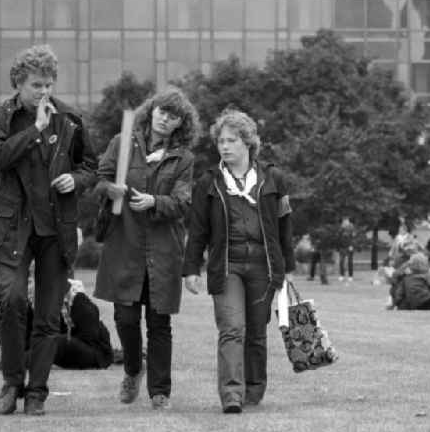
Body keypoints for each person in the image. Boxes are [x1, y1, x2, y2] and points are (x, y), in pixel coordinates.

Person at [0, 43, 96, 416]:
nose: (43, 92)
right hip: (12, 228)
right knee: (12, 301)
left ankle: (37, 392)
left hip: (55, 231)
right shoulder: (1, 115)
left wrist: (74, 181)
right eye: (36, 85)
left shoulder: (71, 119)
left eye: (48, 84)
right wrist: (36, 129)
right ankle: (11, 383)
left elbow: (90, 167)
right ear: (19, 83)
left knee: (48, 316)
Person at [183, 108, 295, 414]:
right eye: (221, 141)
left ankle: (254, 390)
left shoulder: (274, 179)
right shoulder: (209, 182)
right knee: (232, 328)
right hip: (227, 266)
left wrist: (289, 268)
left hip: (264, 266)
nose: (225, 146)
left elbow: (285, 227)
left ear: (248, 143)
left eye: (232, 140)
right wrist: (191, 269)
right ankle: (232, 395)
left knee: (257, 332)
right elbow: (197, 231)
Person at [94, 87, 198, 410]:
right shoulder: (122, 143)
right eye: (162, 111)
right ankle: (132, 369)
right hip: (125, 243)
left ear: (181, 123)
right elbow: (99, 180)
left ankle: (160, 392)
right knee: (125, 318)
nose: (166, 119)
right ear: (151, 111)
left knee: (159, 323)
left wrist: (155, 202)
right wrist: (112, 189)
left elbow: (183, 202)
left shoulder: (183, 158)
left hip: (163, 249)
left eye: (174, 116)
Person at [53, 279, 114, 370]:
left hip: (96, 352)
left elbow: (90, 337)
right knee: (46, 341)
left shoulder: (78, 299)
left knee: (54, 342)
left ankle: (28, 360)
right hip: (74, 347)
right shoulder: (39, 301)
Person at [337, 216, 358, 282]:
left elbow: (354, 238)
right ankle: (341, 275)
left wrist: (352, 245)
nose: (345, 222)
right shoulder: (341, 227)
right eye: (344, 221)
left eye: (346, 221)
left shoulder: (352, 227)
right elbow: (339, 237)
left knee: (350, 262)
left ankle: (350, 276)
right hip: (342, 247)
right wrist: (342, 228)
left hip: (349, 247)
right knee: (341, 261)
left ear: (348, 221)